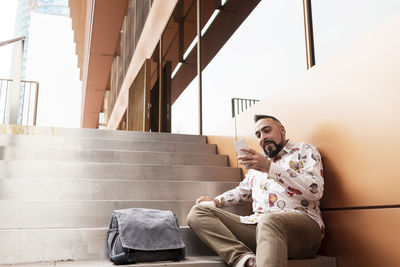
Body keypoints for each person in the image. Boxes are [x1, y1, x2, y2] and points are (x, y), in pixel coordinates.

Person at [187, 114, 324, 267]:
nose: (262, 137)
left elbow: (315, 190)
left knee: (270, 220)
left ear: (282, 130)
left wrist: (270, 168)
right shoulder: (256, 166)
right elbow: (241, 192)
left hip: (304, 231)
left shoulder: (304, 150)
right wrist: (215, 201)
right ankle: (244, 259)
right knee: (197, 212)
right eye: (258, 135)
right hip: (260, 227)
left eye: (267, 131)